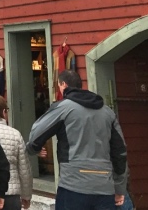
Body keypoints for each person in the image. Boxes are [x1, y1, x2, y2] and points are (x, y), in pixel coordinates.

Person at [26, 70, 127, 210]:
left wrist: (34, 148)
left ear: (63, 85)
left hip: (73, 185)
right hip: (104, 186)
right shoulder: (107, 112)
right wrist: (120, 187)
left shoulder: (63, 108)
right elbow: (120, 152)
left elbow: (36, 134)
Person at [0, 95, 33, 210]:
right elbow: (24, 169)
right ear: (4, 111)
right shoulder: (15, 134)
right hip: (11, 193)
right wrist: (26, 195)